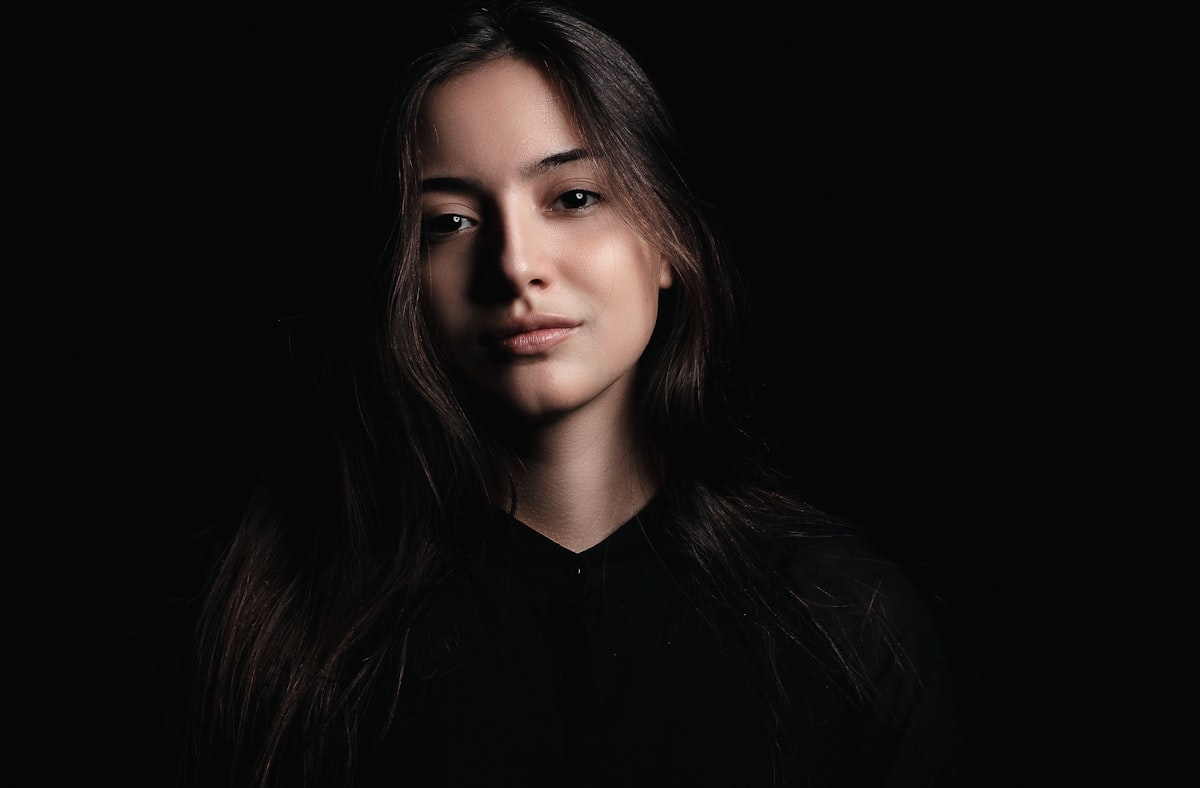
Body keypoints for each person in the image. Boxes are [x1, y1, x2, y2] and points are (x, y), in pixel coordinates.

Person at [177, 2, 966, 786]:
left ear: (669, 243)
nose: (515, 265)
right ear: (403, 282)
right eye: (450, 221)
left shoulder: (841, 620)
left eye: (573, 199)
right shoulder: (298, 628)